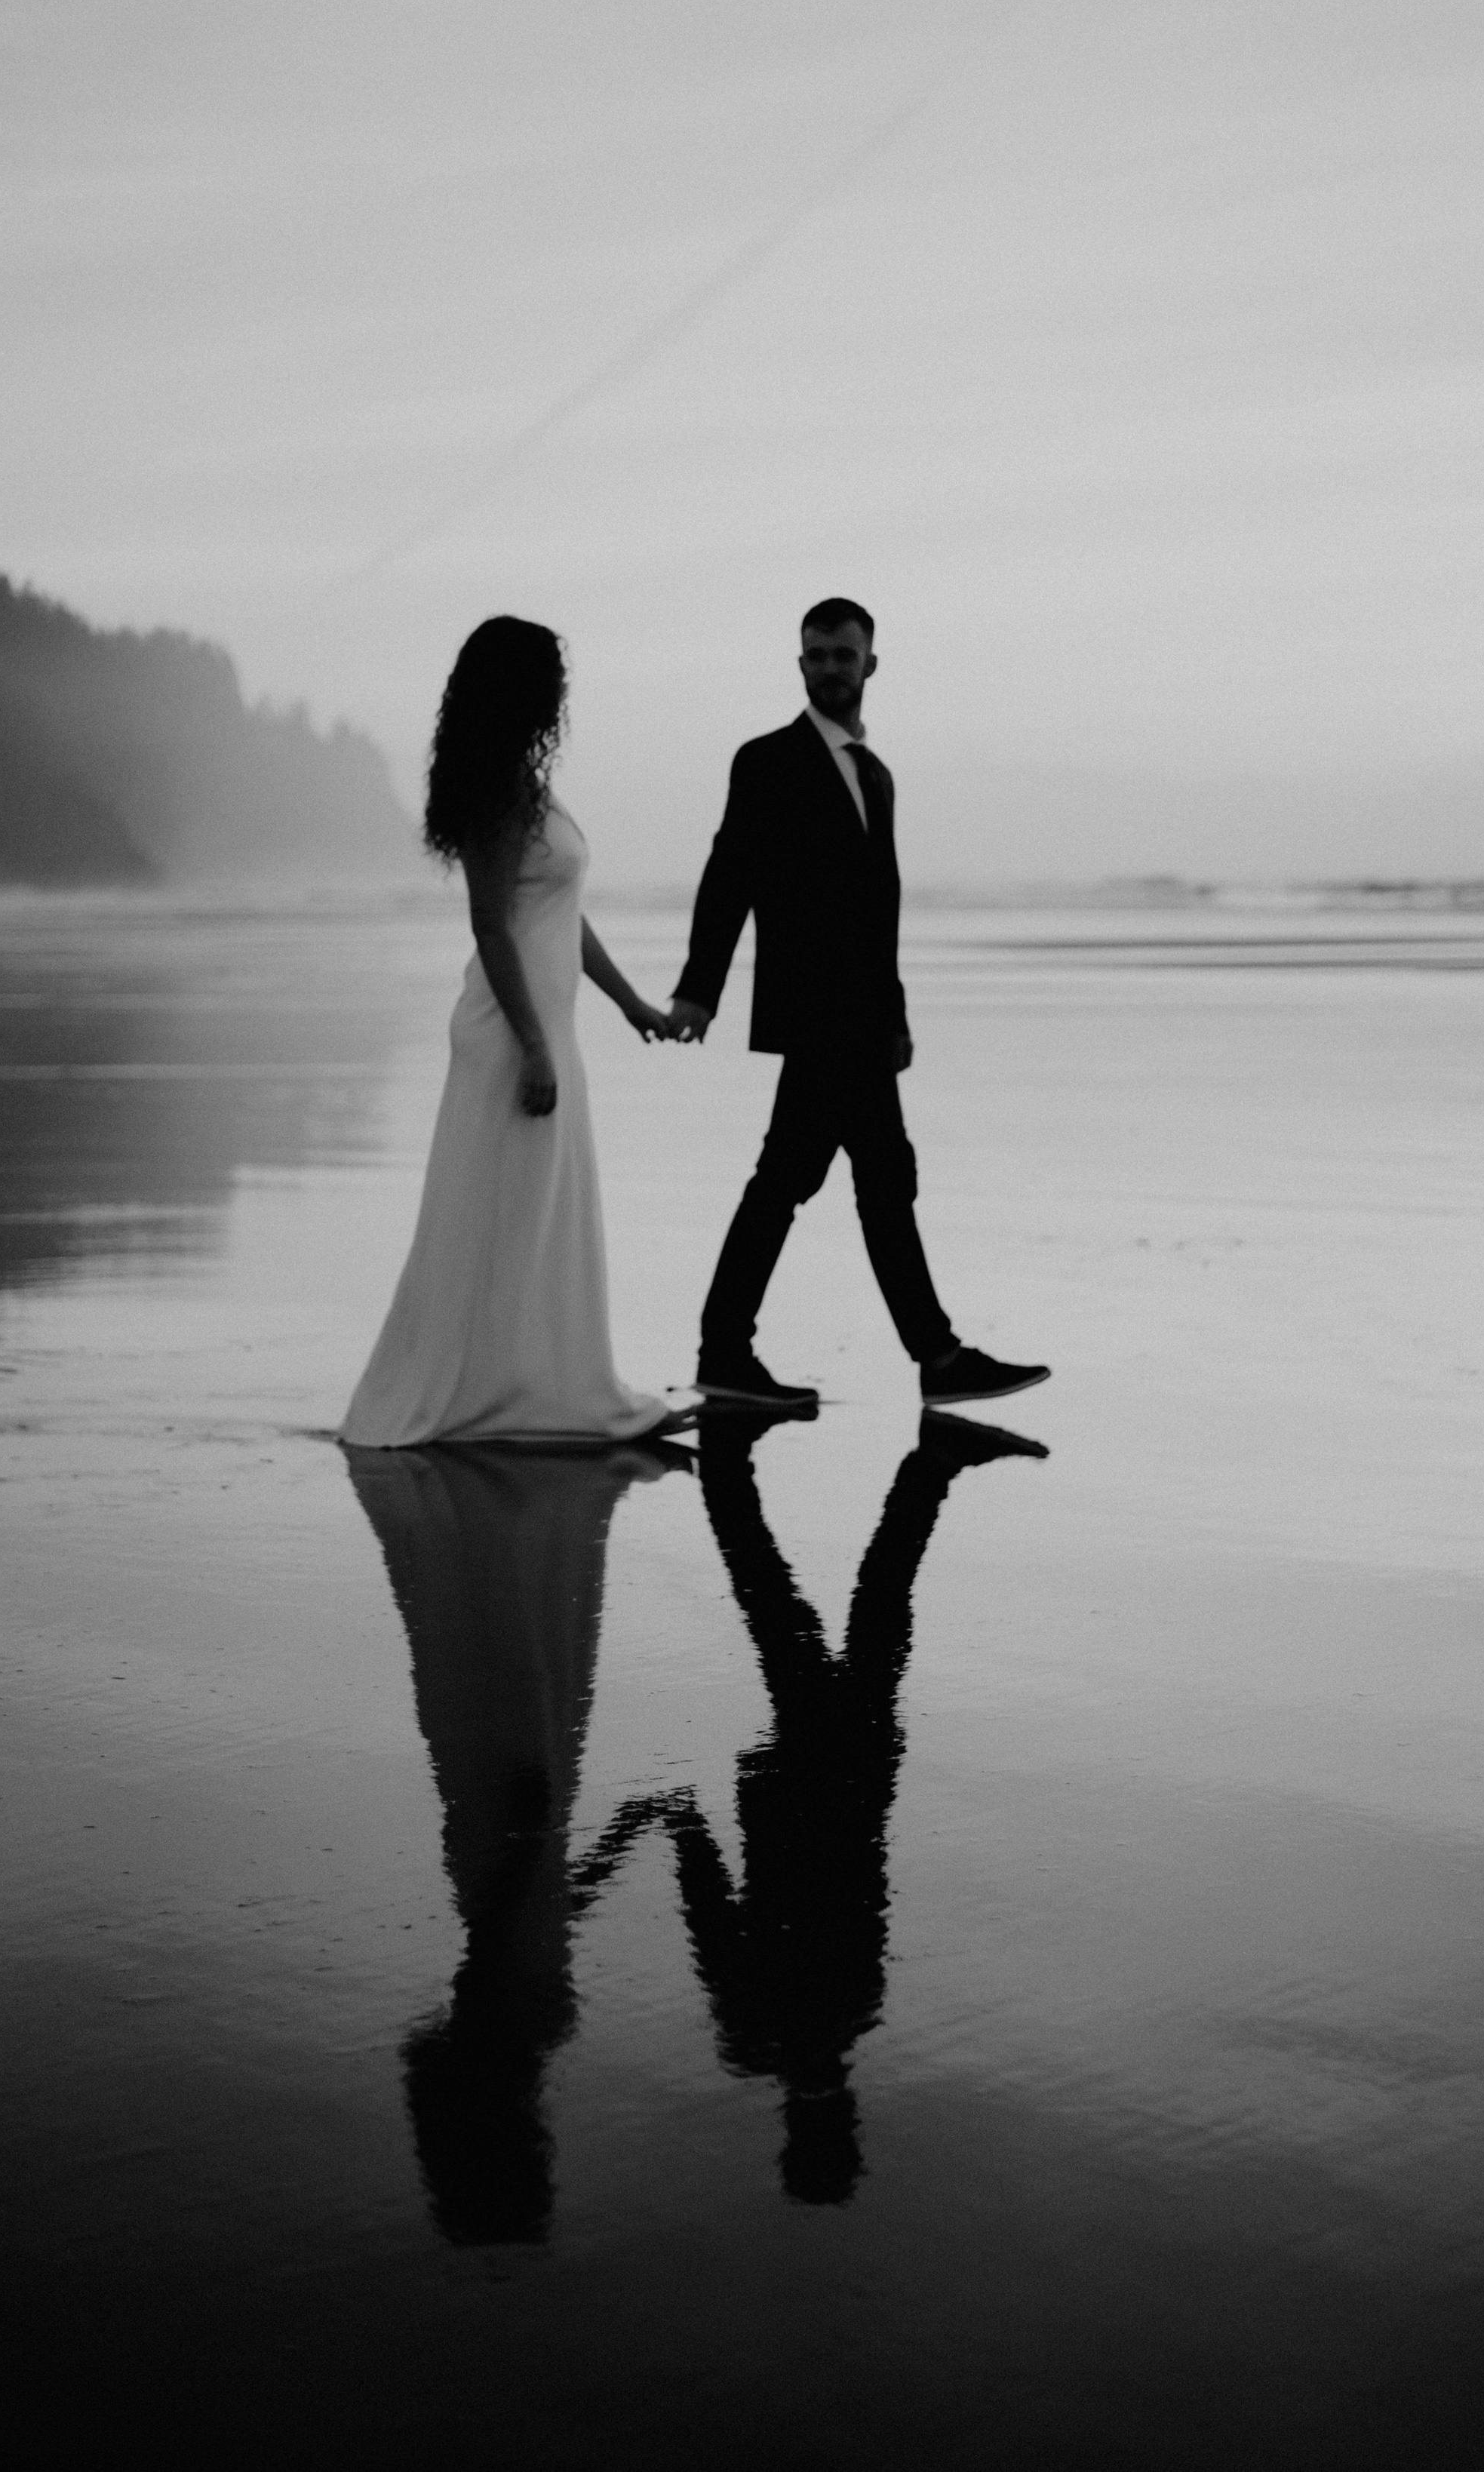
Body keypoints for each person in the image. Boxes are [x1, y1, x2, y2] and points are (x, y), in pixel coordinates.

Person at [668, 597, 1050, 1410]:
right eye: (816, 655)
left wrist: (897, 1013)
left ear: (870, 664)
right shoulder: (766, 760)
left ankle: (923, 1357)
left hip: (862, 1019)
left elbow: (879, 912)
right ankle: (749, 1352)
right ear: (799, 664)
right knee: (815, 1179)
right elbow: (728, 874)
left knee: (862, 1181)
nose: (831, 668)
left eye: (844, 655)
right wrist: (699, 989)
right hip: (814, 1016)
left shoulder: (875, 775)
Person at [663, 1406, 1046, 2203]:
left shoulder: (846, 2012)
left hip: (847, 1778)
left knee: (861, 1606)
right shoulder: (761, 2030)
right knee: (780, 1600)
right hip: (803, 1785)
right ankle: (894, 1466)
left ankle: (926, 1464)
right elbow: (716, 1913)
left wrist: (691, 1827)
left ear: (845, 2118)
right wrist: (683, 1824)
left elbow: (861, 1881)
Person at [340, 614, 680, 1447]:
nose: (558, 692)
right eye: (546, 678)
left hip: (545, 1026)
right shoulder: (494, 791)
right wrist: (531, 1046)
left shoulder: (529, 786)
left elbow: (561, 915)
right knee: (500, 1215)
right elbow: (492, 927)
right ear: (518, 691)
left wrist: (629, 1001)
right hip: (510, 1032)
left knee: (540, 1216)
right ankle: (482, 1398)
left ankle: (542, 1386)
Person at [346, 1437, 690, 2241]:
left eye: (533, 2155)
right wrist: (626, 1832)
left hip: (505, 1835)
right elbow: (547, 1917)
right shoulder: (513, 2043)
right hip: (511, 1844)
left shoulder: (502, 2034)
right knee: (518, 1664)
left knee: (507, 1664)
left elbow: (503, 1938)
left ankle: (489, 1517)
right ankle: (492, 1517)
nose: (550, 2143)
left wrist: (541, 1831)